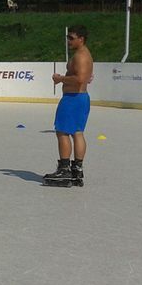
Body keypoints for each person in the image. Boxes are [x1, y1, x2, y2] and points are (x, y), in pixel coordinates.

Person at [44, 25, 93, 186]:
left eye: (71, 38)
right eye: (67, 38)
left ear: (81, 39)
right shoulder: (83, 54)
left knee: (62, 132)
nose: (68, 41)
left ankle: (64, 170)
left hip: (73, 99)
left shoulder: (80, 56)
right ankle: (77, 170)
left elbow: (80, 79)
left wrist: (60, 79)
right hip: (80, 98)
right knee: (77, 133)